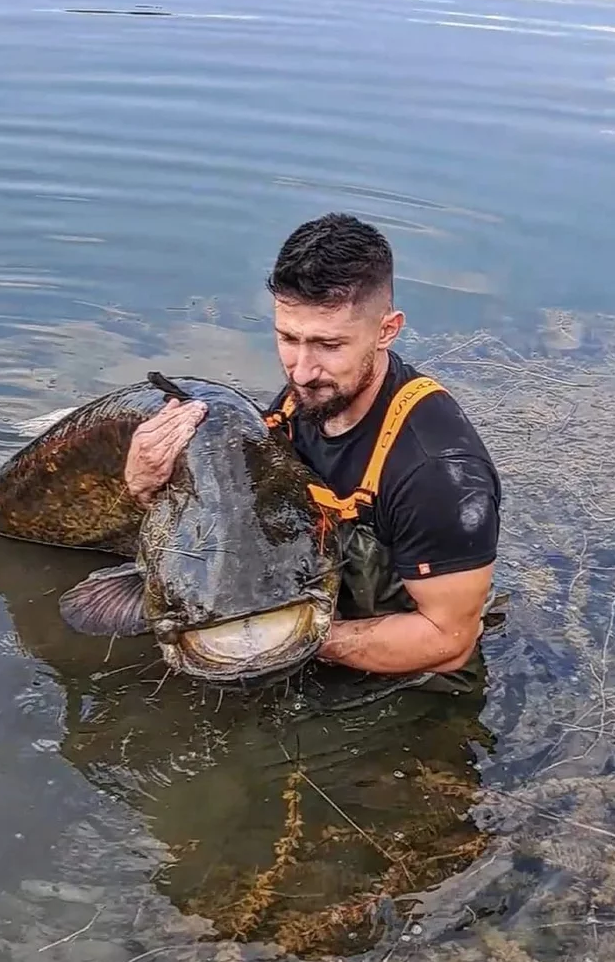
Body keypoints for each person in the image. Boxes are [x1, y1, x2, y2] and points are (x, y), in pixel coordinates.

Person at [123, 213, 502, 689]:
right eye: (288, 338)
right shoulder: (307, 398)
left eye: (328, 344)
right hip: (312, 618)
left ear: (387, 330)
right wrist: (143, 487)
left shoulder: (438, 474)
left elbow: (448, 641)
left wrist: (288, 638)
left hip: (414, 684)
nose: (301, 371)